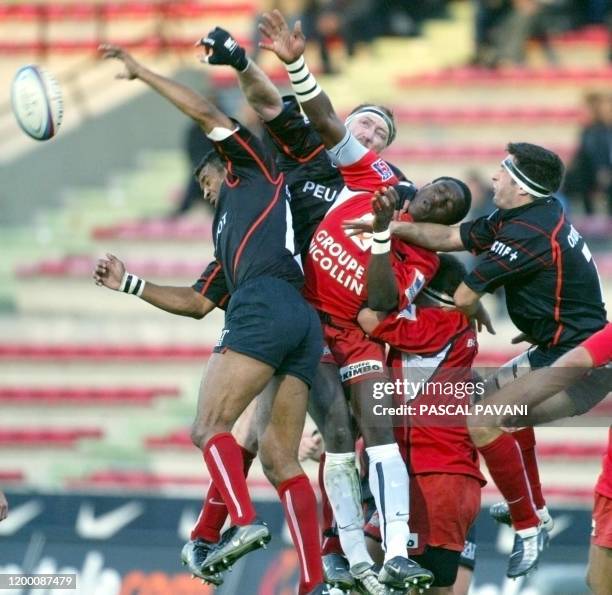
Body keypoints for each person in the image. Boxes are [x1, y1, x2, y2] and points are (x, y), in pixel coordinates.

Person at [258, 9, 479, 592]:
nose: (435, 198)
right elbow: (328, 121)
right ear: (421, 181)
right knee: (326, 439)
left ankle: (395, 550)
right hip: (304, 315)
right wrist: (296, 63)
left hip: (355, 334)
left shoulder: (422, 255)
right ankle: (350, 557)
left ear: (445, 221)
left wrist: (384, 235)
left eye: (447, 205)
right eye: (437, 188)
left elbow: (377, 307)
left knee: (373, 432)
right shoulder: (375, 176)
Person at [98, 45, 330, 595]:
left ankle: (243, 523)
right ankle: (313, 583)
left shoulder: (250, 168)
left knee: (207, 427)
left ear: (217, 167)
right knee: (280, 461)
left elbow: (205, 113)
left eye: (204, 184)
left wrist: (140, 71)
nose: (204, 194)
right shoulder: (235, 235)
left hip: (266, 305)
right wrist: (130, 283)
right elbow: (198, 301)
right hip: (299, 319)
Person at [344, 143, 607, 577]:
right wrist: (389, 229)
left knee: (484, 420)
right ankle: (535, 509)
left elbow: (464, 296)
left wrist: (465, 302)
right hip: (557, 348)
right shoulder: (524, 216)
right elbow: (450, 237)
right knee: (488, 406)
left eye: (504, 172)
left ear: (521, 188)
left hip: (582, 364)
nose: (494, 178)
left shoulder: (526, 233)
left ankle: (527, 527)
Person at [357, 188, 485, 594]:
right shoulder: (451, 325)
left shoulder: (443, 324)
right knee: (382, 566)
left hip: (436, 476)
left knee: (426, 583)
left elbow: (369, 319)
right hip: (425, 471)